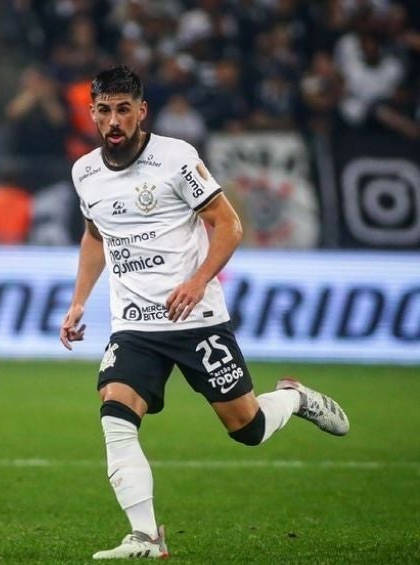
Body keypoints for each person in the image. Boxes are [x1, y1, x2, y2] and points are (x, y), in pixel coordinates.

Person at [59, 65, 349, 560]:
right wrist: (79, 299)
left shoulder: (175, 158)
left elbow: (228, 225)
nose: (114, 120)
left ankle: (294, 399)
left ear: (141, 111)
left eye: (123, 109)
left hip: (196, 321)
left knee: (248, 430)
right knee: (115, 412)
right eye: (104, 110)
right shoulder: (84, 171)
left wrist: (197, 281)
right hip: (134, 325)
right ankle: (146, 537)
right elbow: (94, 236)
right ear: (91, 112)